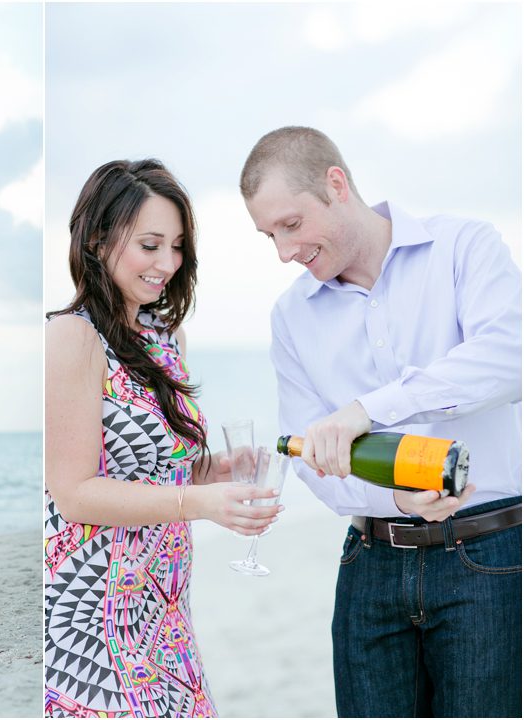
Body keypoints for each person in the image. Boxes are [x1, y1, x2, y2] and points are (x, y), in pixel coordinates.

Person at [240, 126, 522, 717]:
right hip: (368, 567)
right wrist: (400, 501)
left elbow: (509, 358)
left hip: (492, 560)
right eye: (270, 235)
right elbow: (310, 456)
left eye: (291, 225)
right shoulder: (291, 316)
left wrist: (371, 409)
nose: (284, 252)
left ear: (336, 185)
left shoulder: (464, 247)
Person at [45, 159, 283, 718]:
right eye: (150, 245)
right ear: (98, 237)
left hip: (165, 604)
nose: (167, 265)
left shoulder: (163, 335)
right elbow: (75, 492)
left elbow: (155, 469)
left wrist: (211, 472)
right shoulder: (70, 337)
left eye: (177, 247)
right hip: (94, 610)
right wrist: (200, 503)